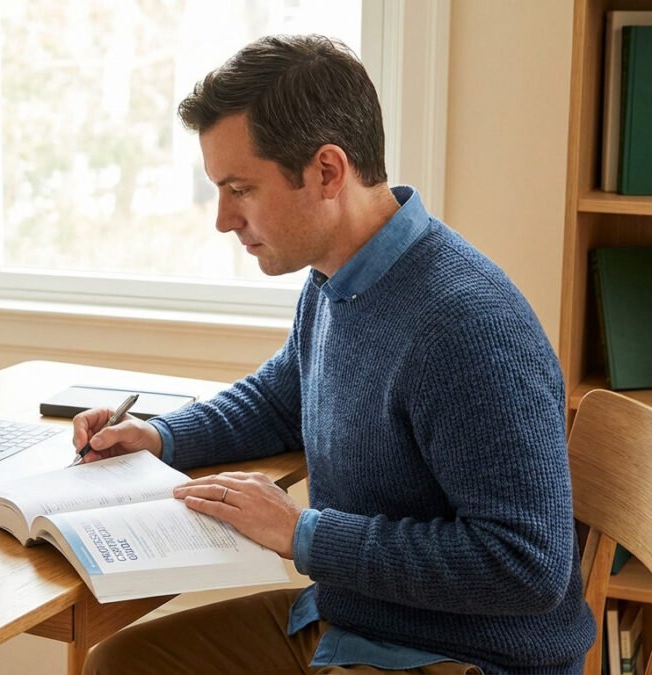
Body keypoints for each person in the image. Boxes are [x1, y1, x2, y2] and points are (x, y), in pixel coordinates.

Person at [72, 34, 596, 674]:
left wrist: (302, 534)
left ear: (326, 171)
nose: (222, 219)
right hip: (355, 619)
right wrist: (156, 436)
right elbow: (283, 396)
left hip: (458, 657)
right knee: (122, 663)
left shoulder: (466, 326)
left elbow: (526, 565)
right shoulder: (336, 277)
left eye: (240, 188)